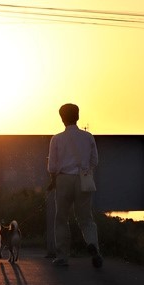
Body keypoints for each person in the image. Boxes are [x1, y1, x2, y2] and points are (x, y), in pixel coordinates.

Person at [47, 103, 103, 268]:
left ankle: (62, 256)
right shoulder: (88, 137)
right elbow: (95, 161)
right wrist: (84, 170)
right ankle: (94, 246)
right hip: (83, 179)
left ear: (62, 118)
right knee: (86, 218)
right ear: (77, 117)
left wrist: (53, 179)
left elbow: (52, 167)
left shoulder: (56, 139)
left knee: (62, 219)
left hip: (63, 179)